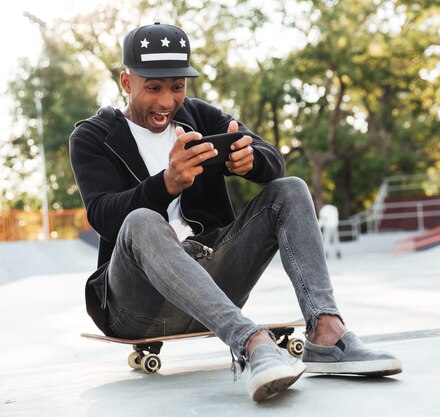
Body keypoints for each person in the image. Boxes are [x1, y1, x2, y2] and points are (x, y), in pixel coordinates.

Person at [69, 22, 402, 402]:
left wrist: (253, 162)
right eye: (153, 88)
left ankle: (326, 332)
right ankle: (252, 343)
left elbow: (273, 159)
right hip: (138, 305)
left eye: (177, 87)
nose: (166, 101)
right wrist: (168, 183)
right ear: (127, 83)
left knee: (290, 188)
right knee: (143, 220)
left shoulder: (200, 116)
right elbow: (104, 216)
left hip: (213, 284)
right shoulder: (94, 136)